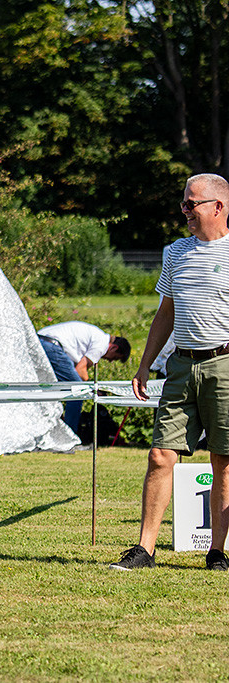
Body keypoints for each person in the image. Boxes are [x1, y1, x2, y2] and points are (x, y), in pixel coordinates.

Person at [111, 173, 229, 571]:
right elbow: (166, 312)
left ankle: (216, 552)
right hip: (181, 365)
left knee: (223, 460)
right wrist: (145, 365)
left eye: (190, 204)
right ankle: (144, 550)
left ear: (218, 206)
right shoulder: (175, 253)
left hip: (224, 365)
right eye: (183, 204)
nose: (185, 212)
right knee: (161, 455)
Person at [36, 321, 131, 432]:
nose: (110, 361)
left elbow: (76, 370)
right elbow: (80, 371)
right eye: (114, 358)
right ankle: (70, 437)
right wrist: (93, 389)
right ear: (114, 348)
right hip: (52, 346)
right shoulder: (101, 344)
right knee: (78, 393)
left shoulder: (96, 335)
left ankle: (47, 431)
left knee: (47, 390)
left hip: (39, 340)